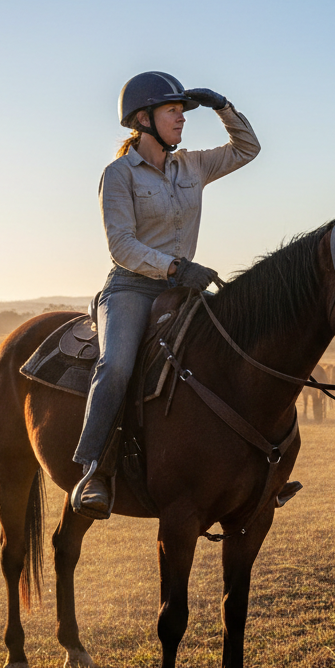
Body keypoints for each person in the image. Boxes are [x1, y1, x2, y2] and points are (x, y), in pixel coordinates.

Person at [72, 70, 260, 518]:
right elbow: (121, 245)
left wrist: (223, 107)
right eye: (173, 110)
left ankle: (257, 468)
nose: (182, 118)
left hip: (184, 286)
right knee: (117, 365)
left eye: (183, 110)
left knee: (237, 351)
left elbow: (247, 149)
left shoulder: (192, 165)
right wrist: (175, 266)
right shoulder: (118, 175)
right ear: (143, 119)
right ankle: (94, 469)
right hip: (132, 287)